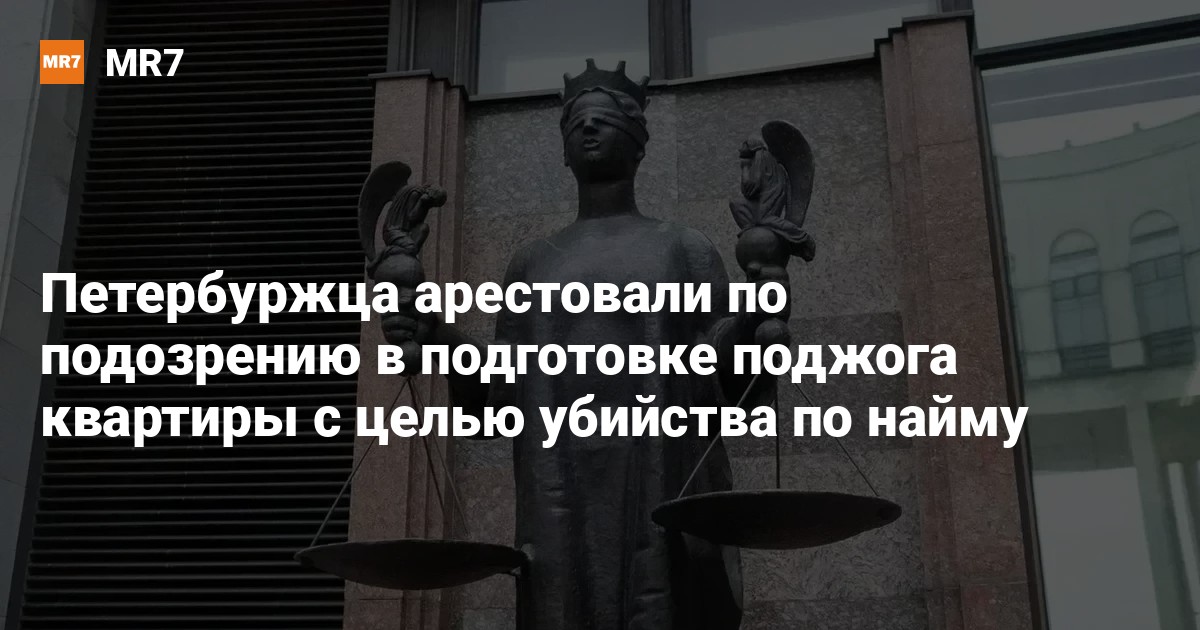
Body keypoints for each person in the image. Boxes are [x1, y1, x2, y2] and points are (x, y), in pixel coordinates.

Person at [376, 60, 793, 630]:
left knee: (658, 601)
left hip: (658, 469)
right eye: (577, 122)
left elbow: (727, 375)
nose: (589, 128)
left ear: (640, 144)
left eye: (605, 119)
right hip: (557, 482)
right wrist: (435, 334)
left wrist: (761, 311)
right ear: (564, 153)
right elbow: (501, 389)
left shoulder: (684, 248)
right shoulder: (532, 262)